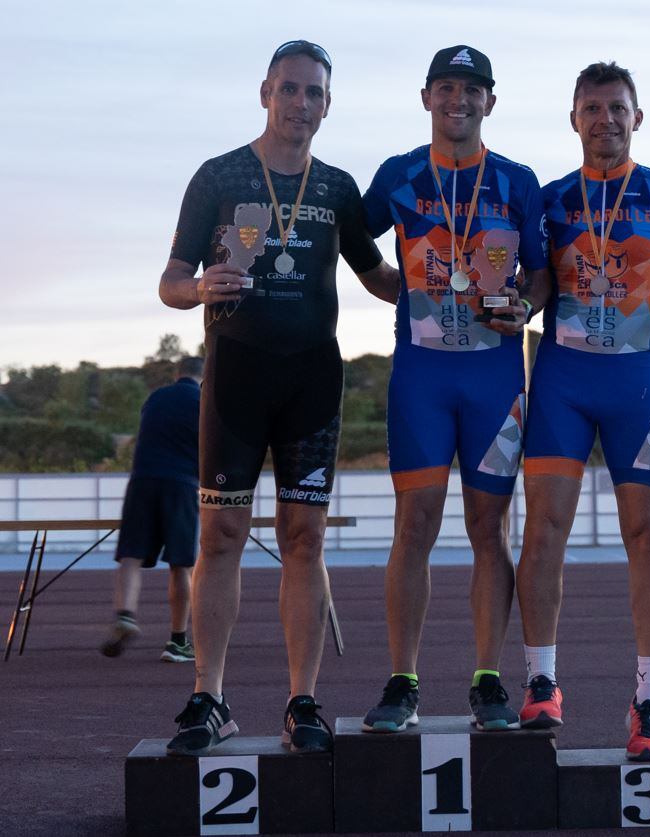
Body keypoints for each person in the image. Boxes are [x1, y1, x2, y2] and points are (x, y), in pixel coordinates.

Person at [158, 40, 399, 756]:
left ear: (329, 104)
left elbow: (379, 275)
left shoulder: (337, 188)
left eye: (314, 94)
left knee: (305, 540)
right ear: (266, 91)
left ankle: (303, 700)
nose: (301, 104)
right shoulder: (219, 175)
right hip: (236, 377)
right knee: (220, 536)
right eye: (289, 89)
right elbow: (170, 280)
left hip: (313, 381)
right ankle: (210, 696)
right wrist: (199, 287)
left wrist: (447, 283)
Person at [516, 61, 650, 759]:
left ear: (639, 118)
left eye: (617, 108)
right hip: (562, 383)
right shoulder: (548, 202)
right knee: (543, 532)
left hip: (642, 383)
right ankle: (541, 684)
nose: (605, 119)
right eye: (592, 108)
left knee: (648, 536)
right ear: (574, 119)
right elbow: (535, 286)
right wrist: (514, 302)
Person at [359, 45, 550, 733]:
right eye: (445, 87)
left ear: (490, 102)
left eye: (471, 89)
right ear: (426, 97)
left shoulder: (518, 181)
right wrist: (388, 286)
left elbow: (543, 273)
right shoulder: (400, 174)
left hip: (496, 378)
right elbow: (356, 241)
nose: (457, 100)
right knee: (414, 527)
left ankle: (488, 679)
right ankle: (403, 681)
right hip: (422, 378)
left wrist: (525, 306)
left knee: (487, 529)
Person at [100, 356, 204, 662]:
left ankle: (125, 614)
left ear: (177, 373)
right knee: (180, 564)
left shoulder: (155, 397)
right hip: (182, 485)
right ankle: (177, 641)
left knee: (131, 555)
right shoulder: (204, 401)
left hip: (142, 481)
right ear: (205, 376)